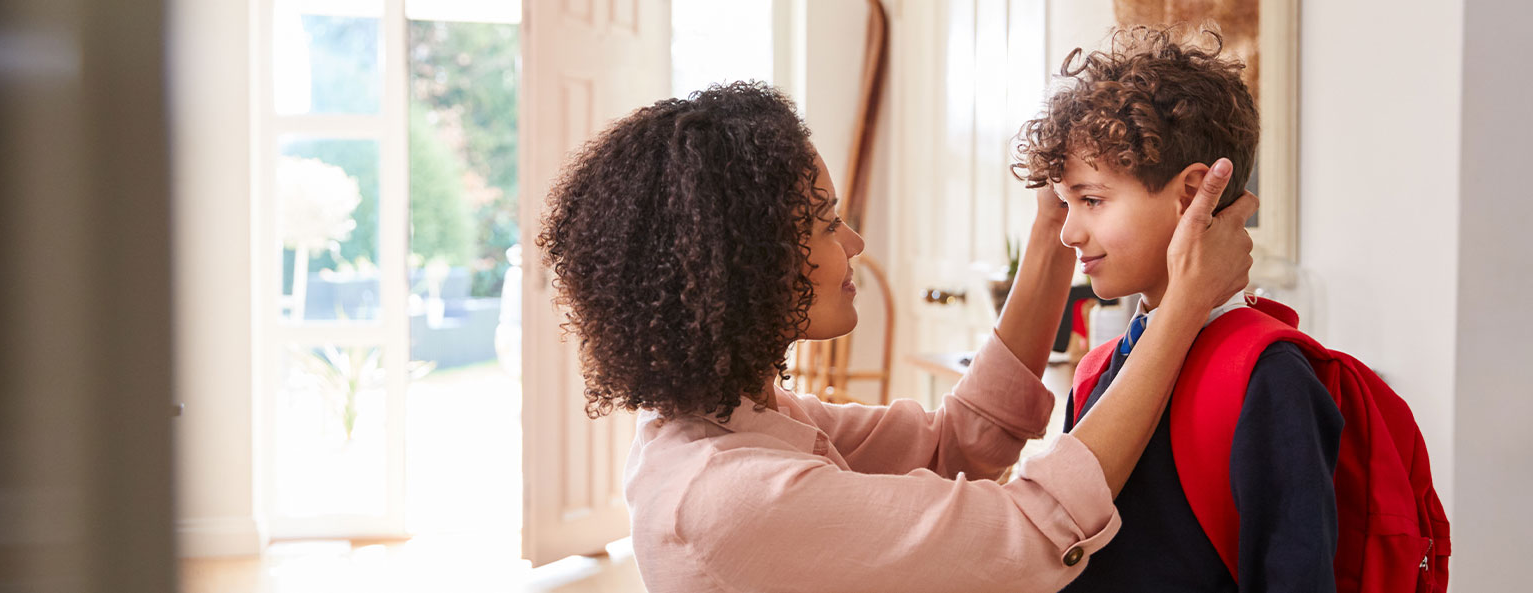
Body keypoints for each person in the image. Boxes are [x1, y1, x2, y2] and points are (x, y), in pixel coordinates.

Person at [536, 81, 1255, 592]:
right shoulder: (732, 498)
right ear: (742, 265)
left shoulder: (741, 420)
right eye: (823, 223)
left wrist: (1050, 228)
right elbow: (1032, 533)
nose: (853, 240)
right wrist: (1184, 304)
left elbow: (957, 445)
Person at [1013, 27, 1339, 593]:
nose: (1068, 232)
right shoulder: (1098, 372)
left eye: (1091, 199)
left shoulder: (1269, 378)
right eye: (1064, 203)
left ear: (1191, 194)